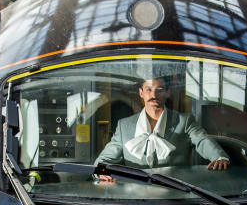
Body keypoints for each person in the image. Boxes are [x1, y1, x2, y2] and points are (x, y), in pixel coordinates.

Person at [95, 77, 229, 180]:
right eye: (148, 89)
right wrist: (101, 171)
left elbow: (202, 140)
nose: (154, 95)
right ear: (141, 93)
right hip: (135, 197)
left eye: (159, 90)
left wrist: (218, 157)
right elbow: (105, 159)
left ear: (167, 93)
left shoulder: (184, 120)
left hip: (175, 195)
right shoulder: (124, 125)